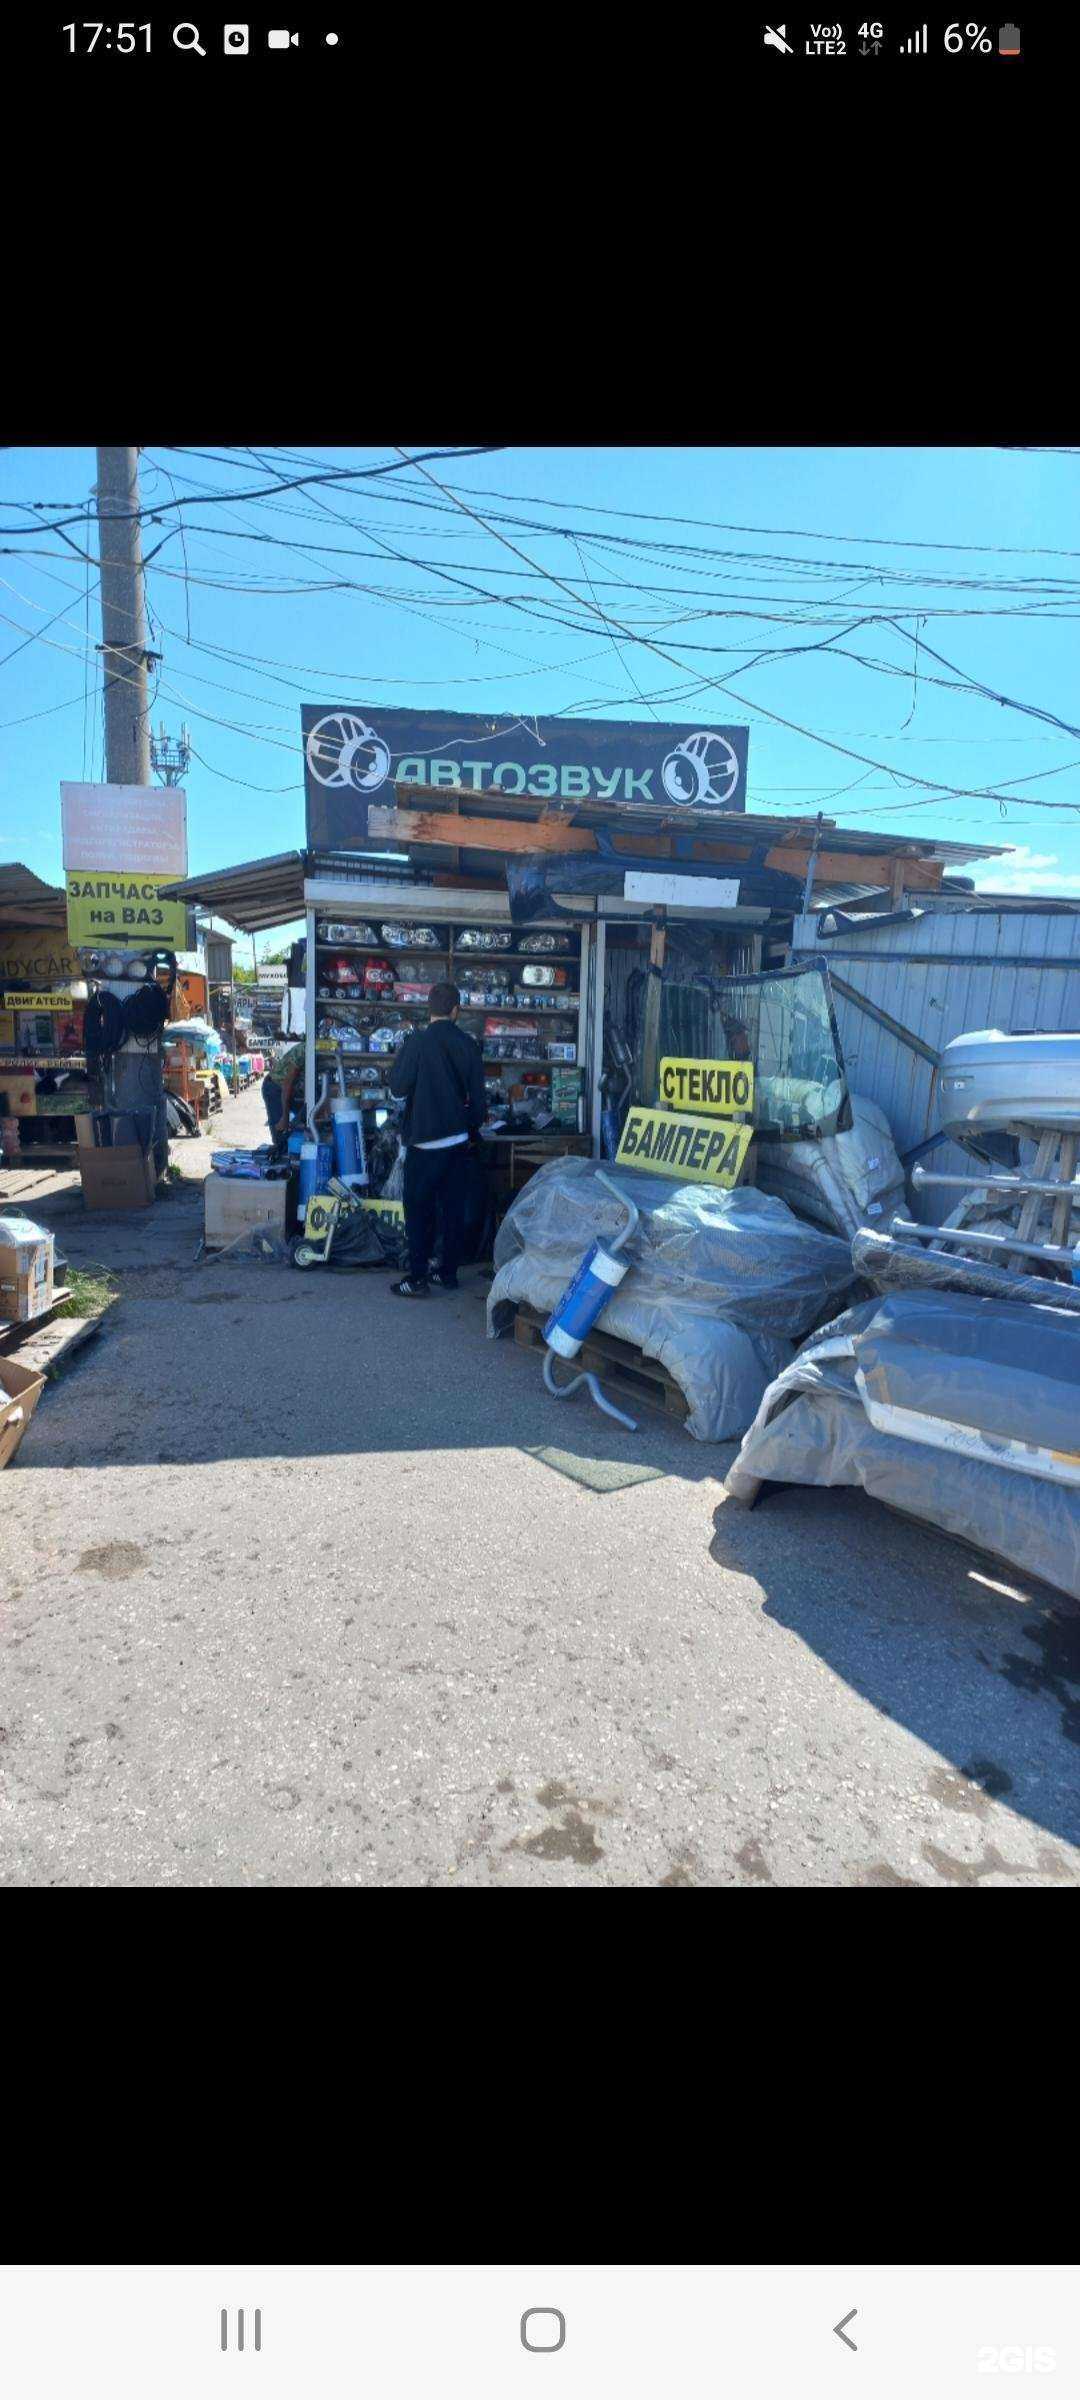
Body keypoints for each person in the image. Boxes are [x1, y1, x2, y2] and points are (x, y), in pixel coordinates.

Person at [387, 980, 488, 1297]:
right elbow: (480, 1104)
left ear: (428, 1009)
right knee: (453, 1211)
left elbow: (397, 1089)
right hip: (457, 1143)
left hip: (423, 1144)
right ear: (456, 1011)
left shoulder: (416, 1041)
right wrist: (469, 1132)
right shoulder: (468, 1044)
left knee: (419, 1213)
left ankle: (417, 1278)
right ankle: (448, 1274)